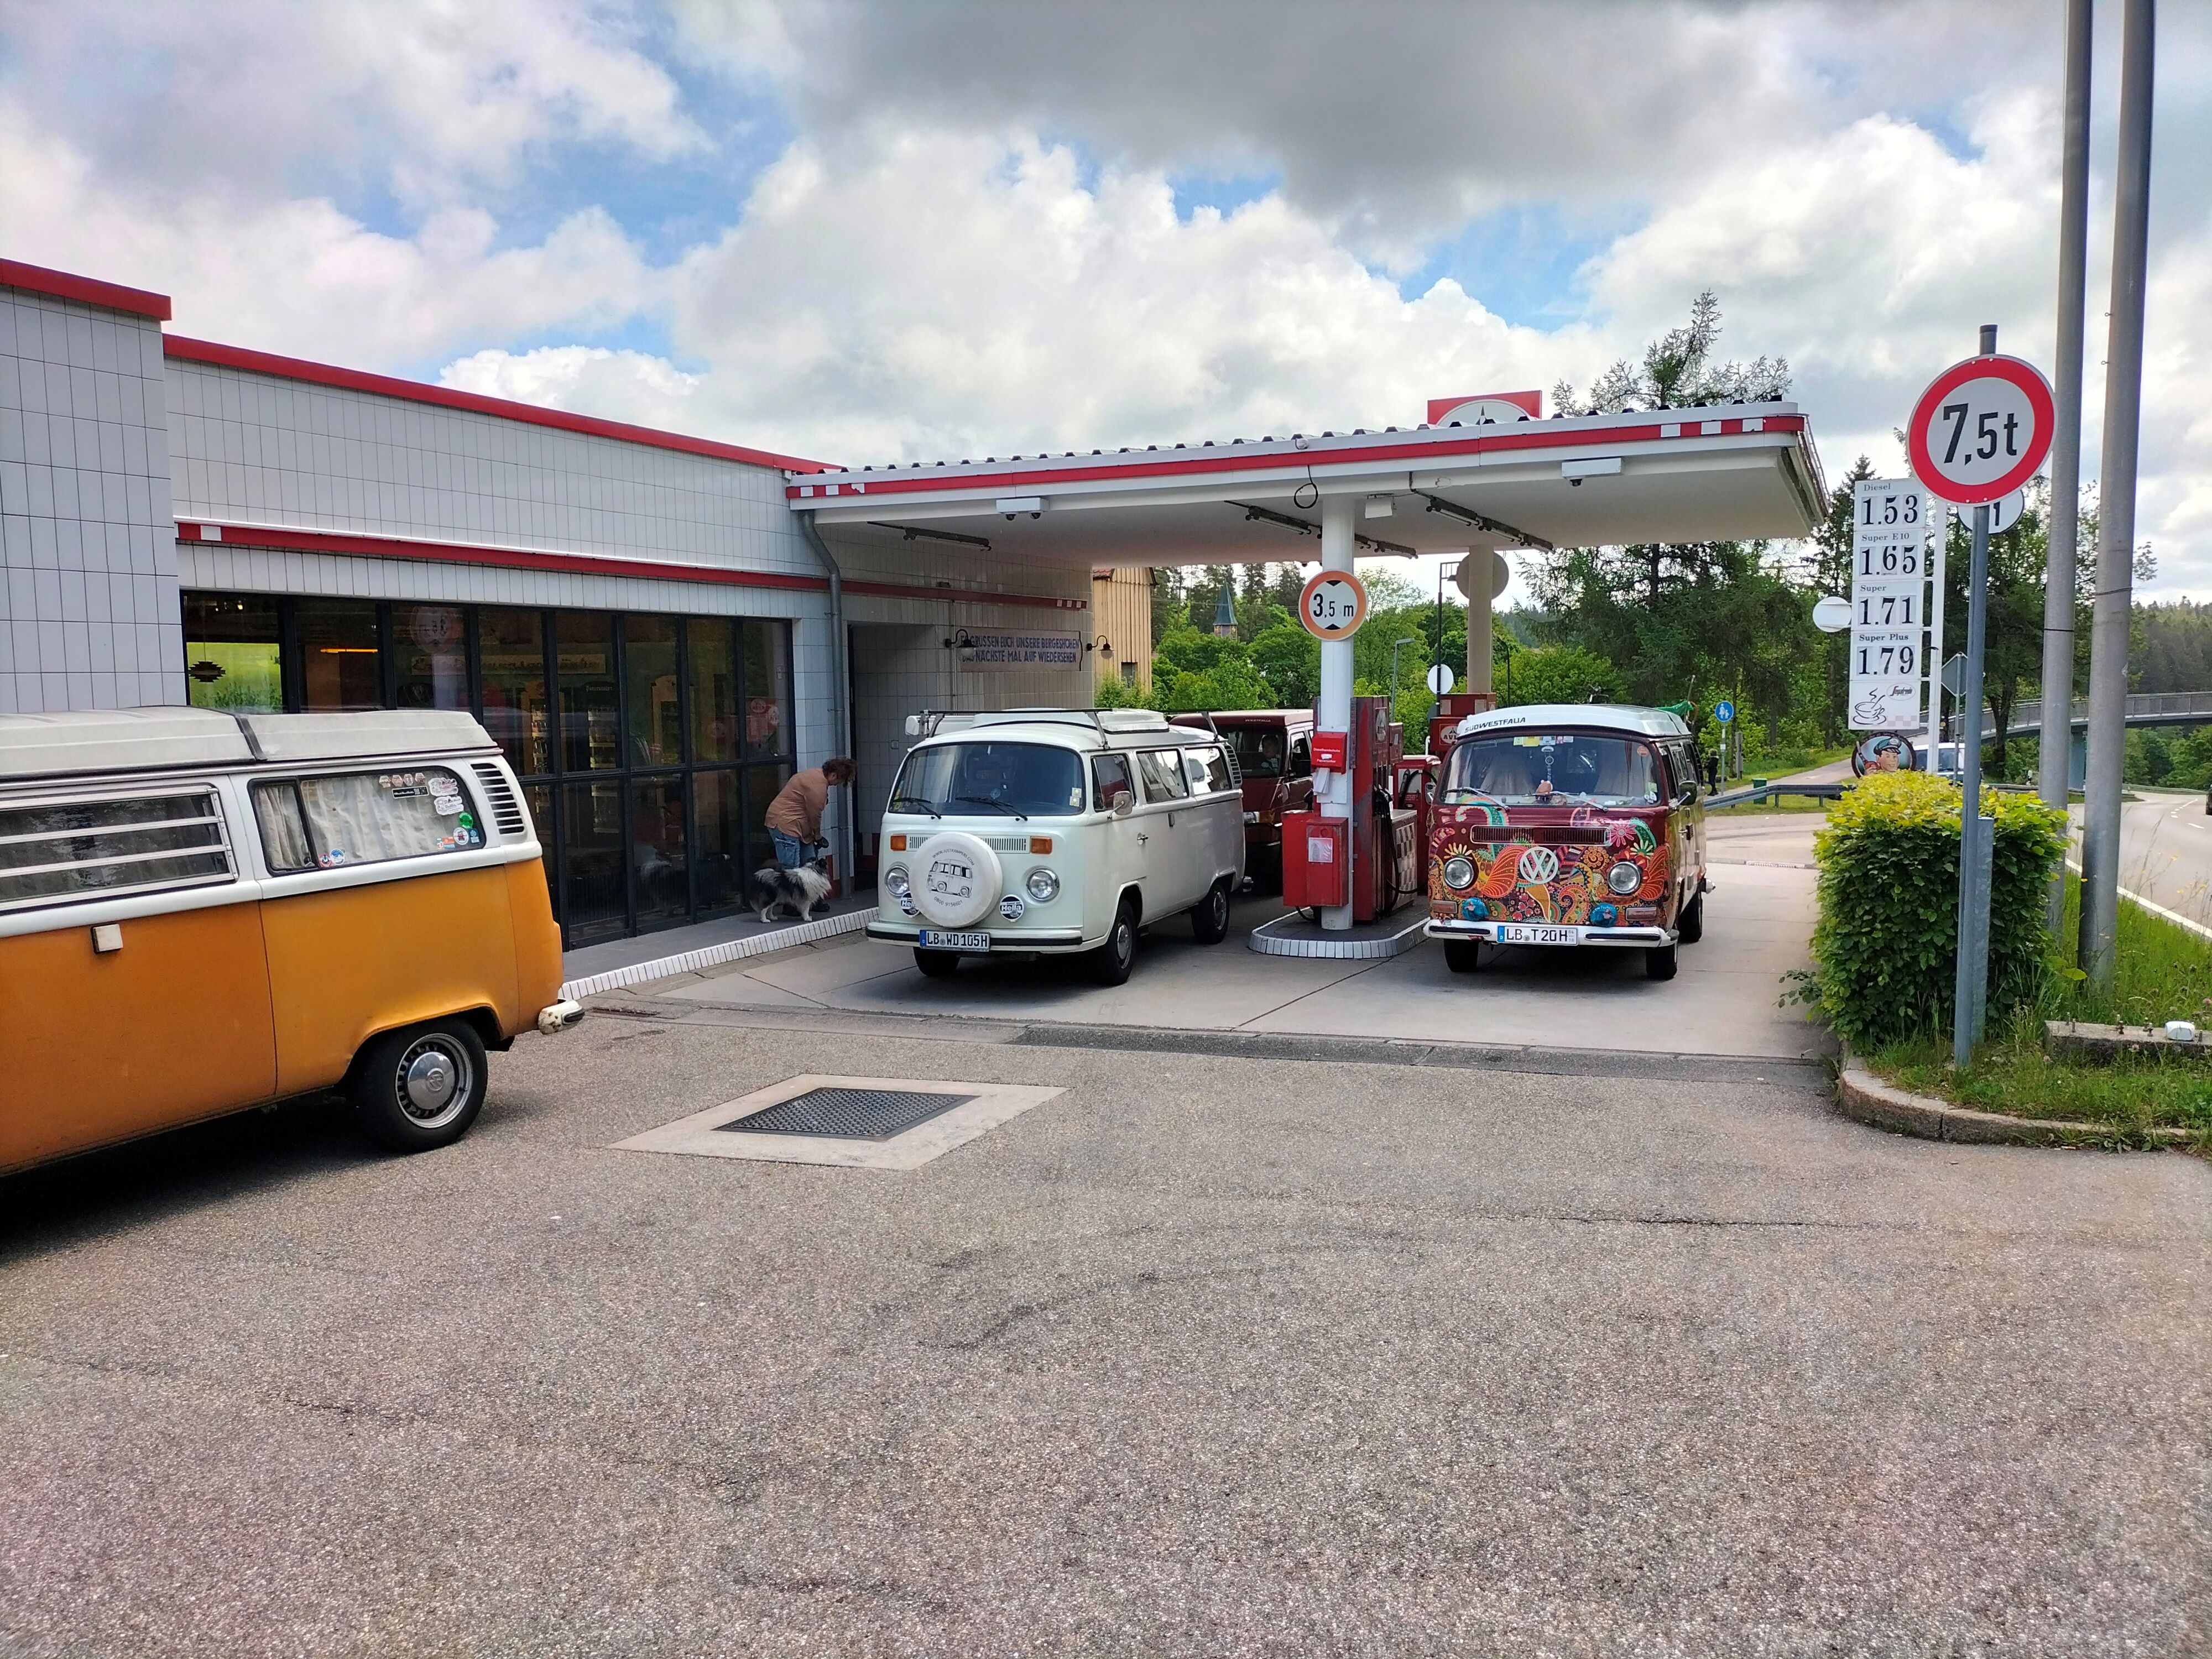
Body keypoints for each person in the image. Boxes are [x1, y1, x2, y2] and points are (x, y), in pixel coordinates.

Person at [764, 757, 854, 869]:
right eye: (839, 781)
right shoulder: (818, 787)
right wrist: (818, 836)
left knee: (810, 865)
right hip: (786, 825)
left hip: (796, 825)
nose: (837, 785)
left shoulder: (814, 774)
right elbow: (815, 816)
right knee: (792, 869)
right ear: (834, 775)